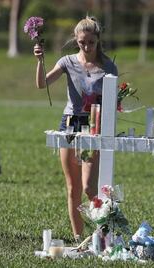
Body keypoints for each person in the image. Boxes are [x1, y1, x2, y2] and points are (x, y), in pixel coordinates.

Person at [33, 16, 118, 240]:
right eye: (82, 42)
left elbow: (113, 102)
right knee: (73, 188)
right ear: (76, 40)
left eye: (91, 42)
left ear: (98, 40)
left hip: (93, 125)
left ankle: (102, 234)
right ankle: (79, 239)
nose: (87, 47)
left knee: (90, 188)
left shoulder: (109, 66)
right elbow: (42, 84)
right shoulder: (67, 62)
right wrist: (40, 61)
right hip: (70, 123)